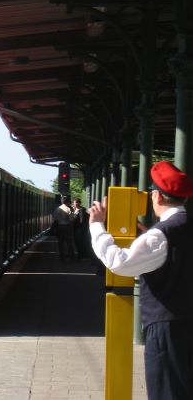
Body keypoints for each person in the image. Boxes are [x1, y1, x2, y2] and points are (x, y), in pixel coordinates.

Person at [89, 160, 193, 400]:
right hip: (188, 321)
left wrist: (97, 226)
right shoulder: (178, 229)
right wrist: (145, 235)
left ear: (156, 196)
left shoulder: (160, 236)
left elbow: (119, 263)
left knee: (166, 391)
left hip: (166, 327)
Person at [53, 195, 76, 261]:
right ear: (67, 202)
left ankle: (61, 257)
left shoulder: (57, 209)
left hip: (59, 227)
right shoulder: (68, 209)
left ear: (62, 201)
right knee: (69, 242)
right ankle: (72, 257)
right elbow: (72, 219)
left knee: (60, 243)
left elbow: (54, 218)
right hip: (67, 227)